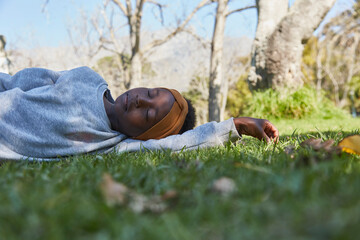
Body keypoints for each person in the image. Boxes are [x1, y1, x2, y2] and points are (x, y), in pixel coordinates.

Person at [0, 66, 278, 161]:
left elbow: (178, 143)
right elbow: (20, 81)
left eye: (147, 115)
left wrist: (236, 125)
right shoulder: (86, 77)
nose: (139, 101)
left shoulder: (111, 144)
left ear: (142, 136)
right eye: (150, 92)